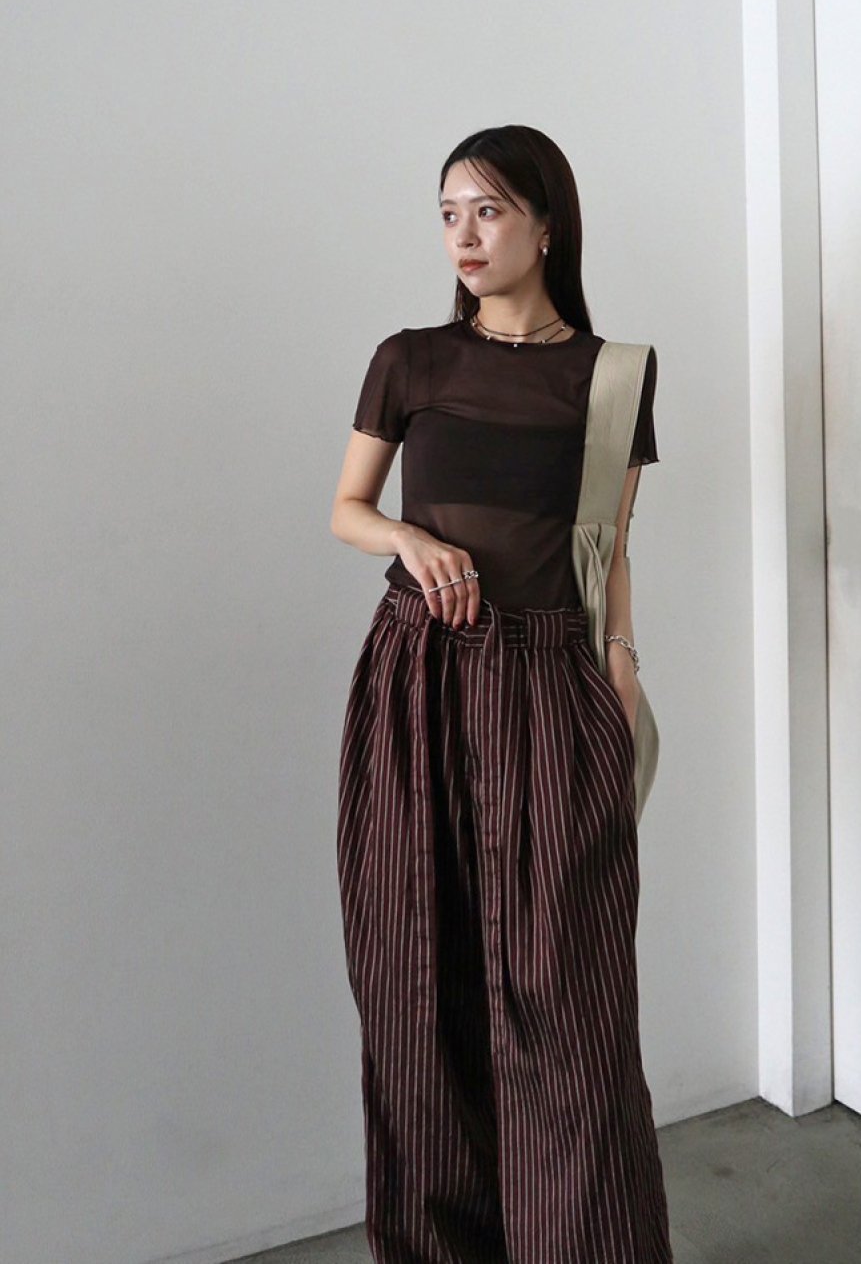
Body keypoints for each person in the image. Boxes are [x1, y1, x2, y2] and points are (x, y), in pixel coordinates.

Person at [329, 124, 674, 1263]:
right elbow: (346, 508)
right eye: (447, 214)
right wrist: (409, 538)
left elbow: (608, 542)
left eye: (487, 210)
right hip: (416, 682)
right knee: (416, 992)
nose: (463, 236)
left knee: (568, 1004)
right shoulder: (410, 359)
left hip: (549, 681)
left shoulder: (614, 374)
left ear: (546, 223)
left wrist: (620, 664)